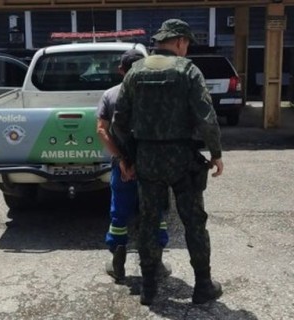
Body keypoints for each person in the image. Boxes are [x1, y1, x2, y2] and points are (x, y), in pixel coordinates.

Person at [112, 19, 224, 305]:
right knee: (194, 222)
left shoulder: (135, 72)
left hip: (147, 160)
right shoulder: (188, 71)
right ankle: (202, 286)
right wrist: (216, 153)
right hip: (182, 159)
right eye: (186, 43)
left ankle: (149, 289)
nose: (187, 48)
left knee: (148, 222)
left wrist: (127, 156)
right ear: (179, 41)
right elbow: (206, 117)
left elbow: (118, 122)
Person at [96, 49, 171, 283]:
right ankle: (155, 262)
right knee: (155, 212)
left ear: (121, 70)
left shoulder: (110, 95)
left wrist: (121, 160)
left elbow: (101, 130)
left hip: (123, 166)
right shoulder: (158, 95)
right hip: (152, 165)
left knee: (119, 212)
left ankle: (118, 263)